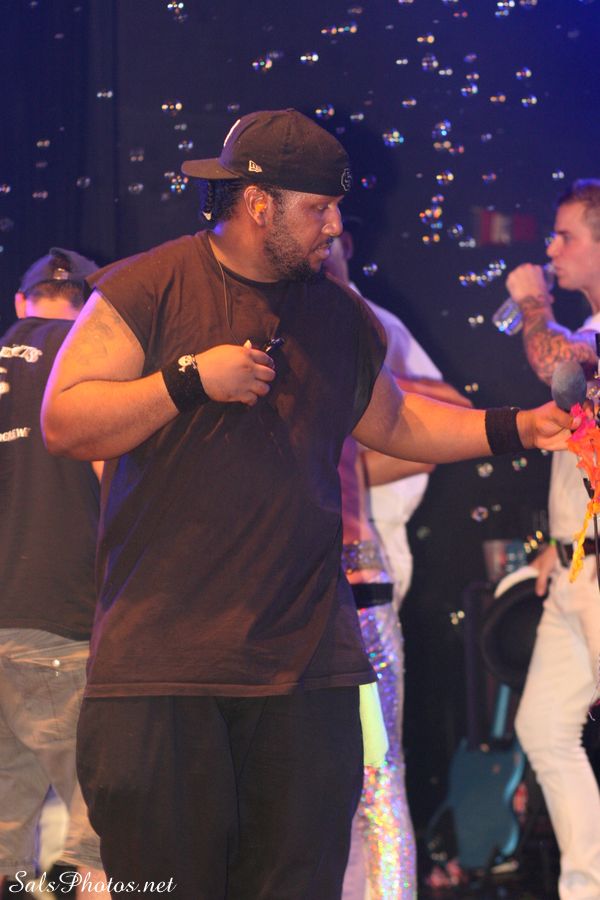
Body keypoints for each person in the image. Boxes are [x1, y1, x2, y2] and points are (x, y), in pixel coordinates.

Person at [40, 108, 572, 899]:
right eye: (318, 208)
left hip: (305, 669)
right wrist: (189, 380)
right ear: (258, 203)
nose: (335, 227)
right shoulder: (148, 287)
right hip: (164, 666)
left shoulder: (336, 314)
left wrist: (521, 427)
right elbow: (64, 420)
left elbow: (396, 423)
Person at [326, 233, 471, 900]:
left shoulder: (367, 325)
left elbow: (448, 421)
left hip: (354, 579)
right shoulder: (252, 324)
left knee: (375, 774)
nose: (320, 237)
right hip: (269, 586)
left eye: (331, 225)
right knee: (297, 780)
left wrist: (360, 373)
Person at [0, 249, 105, 896]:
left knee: (5, 839)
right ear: (91, 305)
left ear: (22, 302)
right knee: (100, 833)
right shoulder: (91, 367)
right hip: (64, 620)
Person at [507, 179, 600, 900]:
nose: (552, 248)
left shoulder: (586, 341)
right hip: (576, 570)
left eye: (567, 235)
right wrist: (560, 541)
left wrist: (533, 301)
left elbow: (562, 370)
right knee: (542, 726)